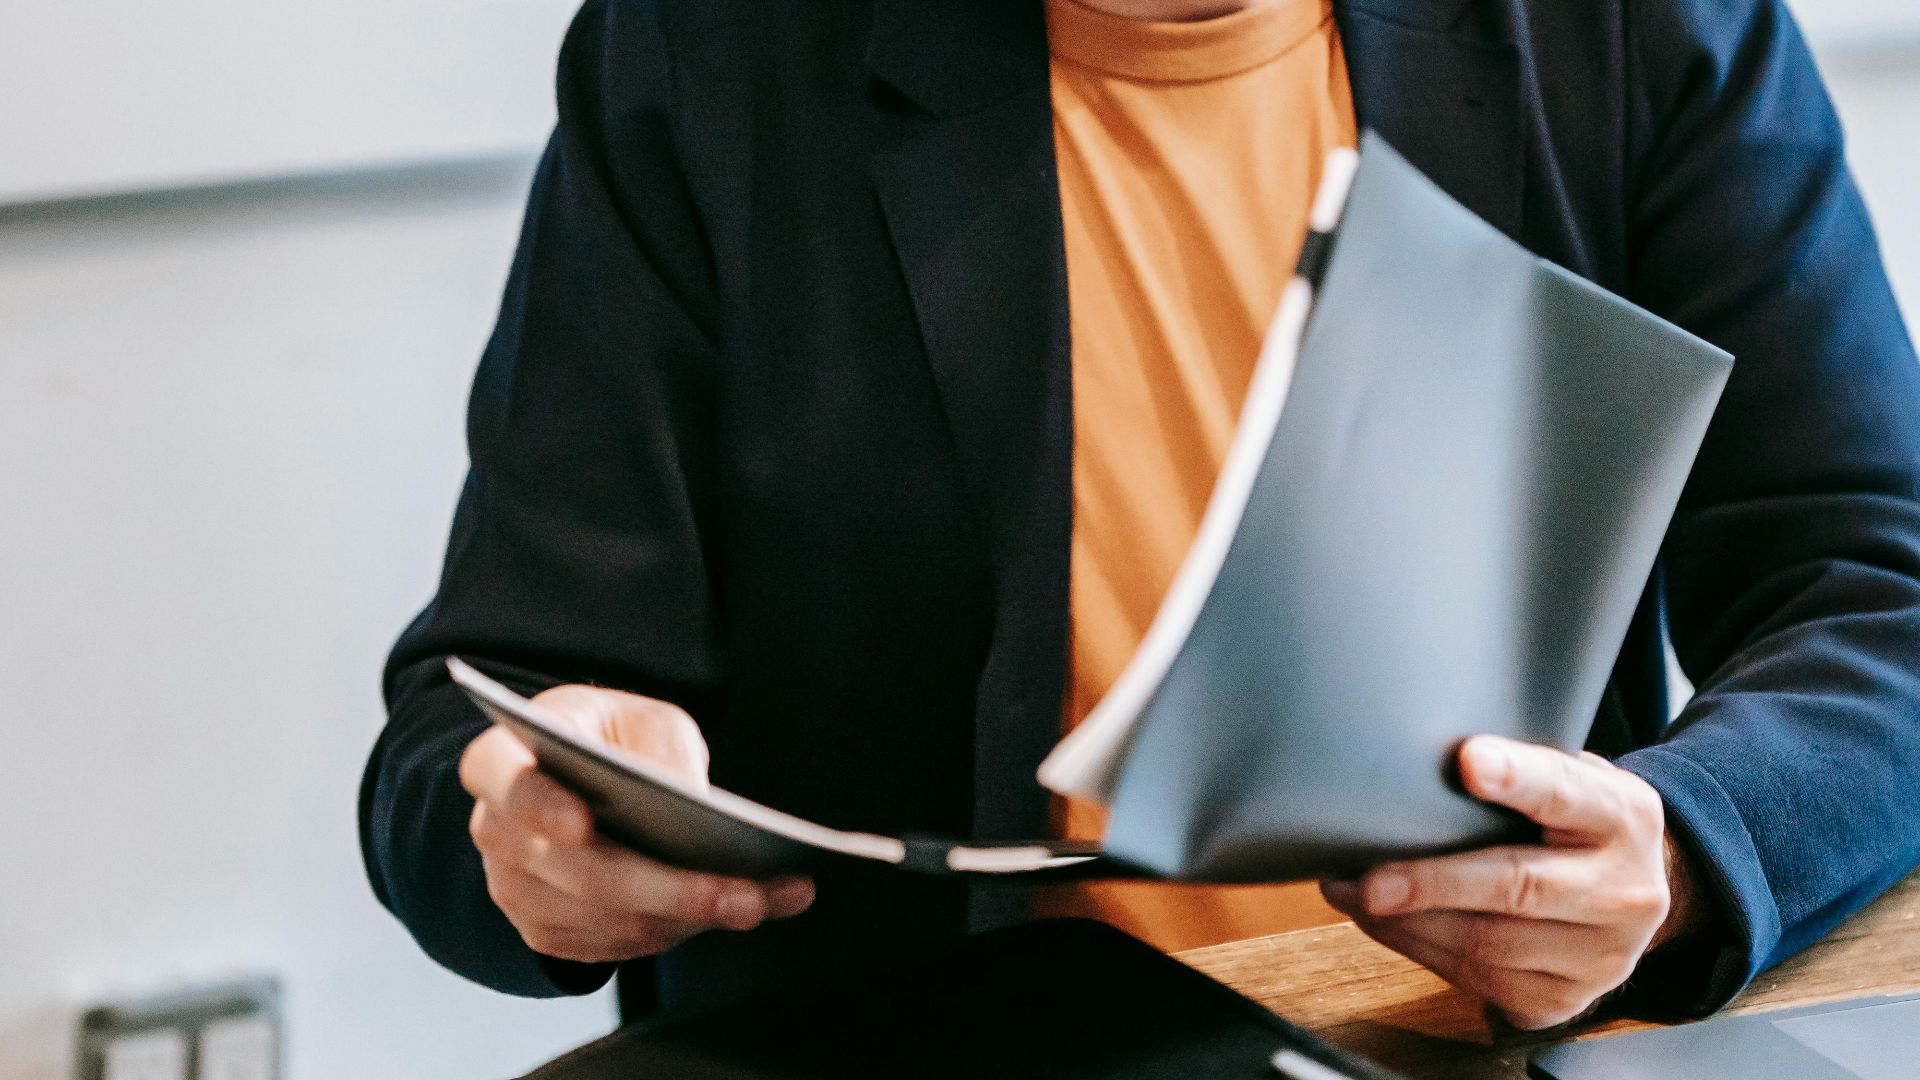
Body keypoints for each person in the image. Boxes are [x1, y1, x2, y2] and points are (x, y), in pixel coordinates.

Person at [359, 0, 1920, 1031]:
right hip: (916, 1055)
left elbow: (1881, 588)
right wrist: (533, 831)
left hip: (1468, 1046)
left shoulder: (1636, 26)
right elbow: (460, 740)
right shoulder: (708, 52)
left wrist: (1687, 852)